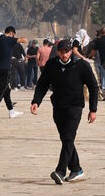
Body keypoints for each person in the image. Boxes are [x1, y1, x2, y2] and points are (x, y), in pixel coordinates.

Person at [31, 39, 99, 184]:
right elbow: (42, 84)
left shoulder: (81, 65)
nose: (64, 55)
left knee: (68, 137)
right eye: (62, 52)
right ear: (58, 52)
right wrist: (36, 101)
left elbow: (93, 86)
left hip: (75, 107)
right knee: (66, 139)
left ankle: (60, 171)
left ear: (71, 51)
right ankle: (76, 168)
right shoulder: (52, 65)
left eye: (67, 52)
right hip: (58, 107)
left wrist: (93, 109)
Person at [0, 27, 27, 120]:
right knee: (2, 89)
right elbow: (24, 40)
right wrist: (17, 38)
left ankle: (11, 111)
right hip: (5, 68)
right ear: (11, 33)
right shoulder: (8, 39)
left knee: (6, 90)